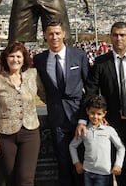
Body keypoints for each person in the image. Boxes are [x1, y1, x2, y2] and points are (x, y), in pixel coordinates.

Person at [77, 21, 126, 186]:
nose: (119, 38)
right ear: (111, 37)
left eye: (122, 35)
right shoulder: (101, 62)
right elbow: (91, 91)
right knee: (119, 169)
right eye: (115, 35)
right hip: (113, 124)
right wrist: (84, 119)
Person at [33, 19, 89, 186]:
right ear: (44, 36)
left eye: (57, 33)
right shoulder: (40, 60)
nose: (54, 37)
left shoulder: (79, 55)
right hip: (57, 119)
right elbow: (40, 86)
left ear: (64, 34)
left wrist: (83, 118)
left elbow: (90, 88)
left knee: (83, 161)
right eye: (50, 34)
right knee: (63, 163)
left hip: (79, 116)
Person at [0, 42, 45, 186]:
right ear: (6, 58)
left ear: (24, 58)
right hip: (6, 134)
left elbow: (45, 96)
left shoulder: (32, 75)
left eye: (18, 56)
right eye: (11, 56)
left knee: (26, 178)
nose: (15, 60)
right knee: (11, 177)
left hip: (30, 132)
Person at [69, 95, 125, 186]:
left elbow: (121, 148)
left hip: (103, 173)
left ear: (104, 114)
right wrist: (77, 163)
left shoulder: (109, 130)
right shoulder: (84, 130)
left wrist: (118, 164)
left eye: (99, 114)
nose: (95, 116)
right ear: (87, 111)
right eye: (92, 113)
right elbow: (72, 146)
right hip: (87, 172)